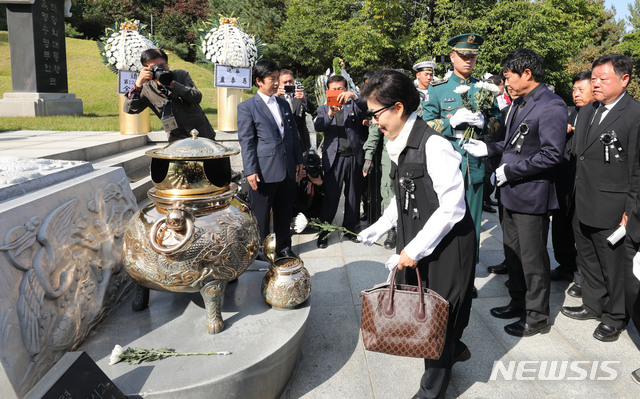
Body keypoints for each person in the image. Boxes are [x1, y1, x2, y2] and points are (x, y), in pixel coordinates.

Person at [359, 69, 475, 399]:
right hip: (421, 239)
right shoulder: (399, 142)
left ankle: (430, 392)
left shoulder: (433, 144)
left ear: (397, 108)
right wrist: (380, 226)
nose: (373, 121)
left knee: (439, 317)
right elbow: (402, 193)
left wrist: (414, 249)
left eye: (375, 113)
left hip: (448, 243)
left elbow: (453, 207)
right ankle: (454, 350)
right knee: (428, 310)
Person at [464, 48, 567, 337]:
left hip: (531, 195)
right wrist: (489, 149)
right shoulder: (520, 102)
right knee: (514, 254)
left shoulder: (551, 105)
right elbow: (513, 146)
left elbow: (551, 154)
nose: (505, 83)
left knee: (532, 258)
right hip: (510, 193)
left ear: (527, 74)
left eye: (509, 77)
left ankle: (536, 316)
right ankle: (518, 301)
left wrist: (511, 170)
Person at [560, 54, 640, 342]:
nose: (595, 84)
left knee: (615, 266)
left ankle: (615, 316)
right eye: (593, 78)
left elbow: (636, 170)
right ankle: (593, 304)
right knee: (588, 258)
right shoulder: (587, 111)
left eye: (602, 79)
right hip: (582, 200)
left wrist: (631, 210)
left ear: (624, 79)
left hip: (614, 206)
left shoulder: (634, 115)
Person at [423, 33, 502, 270]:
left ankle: (468, 272)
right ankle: (444, 268)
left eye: (473, 57)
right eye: (464, 56)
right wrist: (450, 123)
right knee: (445, 218)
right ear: (452, 57)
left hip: (474, 164)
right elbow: (425, 123)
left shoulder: (483, 88)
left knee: (472, 221)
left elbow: (498, 123)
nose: (469, 60)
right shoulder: (438, 89)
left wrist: (485, 124)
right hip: (446, 161)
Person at [237, 59, 304, 260]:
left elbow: (292, 134)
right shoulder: (247, 107)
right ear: (259, 81)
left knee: (284, 213)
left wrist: (298, 160)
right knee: (261, 216)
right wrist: (250, 170)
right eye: (272, 79)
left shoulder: (283, 103)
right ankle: (260, 252)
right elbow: (247, 141)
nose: (276, 83)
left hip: (287, 169)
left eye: (278, 79)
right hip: (263, 171)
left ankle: (284, 248)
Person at [550, 71, 596, 293]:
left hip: (583, 184)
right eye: (574, 90)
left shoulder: (597, 115)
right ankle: (565, 265)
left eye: (581, 89)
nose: (576, 94)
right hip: (563, 178)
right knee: (560, 228)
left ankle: (582, 276)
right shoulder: (568, 112)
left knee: (581, 232)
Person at [314, 75, 368, 248]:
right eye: (333, 89)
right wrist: (331, 113)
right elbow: (319, 127)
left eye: (341, 89)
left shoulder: (354, 106)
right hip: (334, 158)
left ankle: (350, 229)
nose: (337, 92)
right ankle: (325, 231)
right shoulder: (323, 108)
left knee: (353, 196)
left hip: (353, 157)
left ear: (345, 89)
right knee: (331, 196)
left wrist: (354, 96)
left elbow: (368, 110)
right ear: (328, 90)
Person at [124, 48, 216, 142]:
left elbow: (196, 97)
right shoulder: (146, 89)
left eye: (162, 65)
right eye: (154, 67)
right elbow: (130, 109)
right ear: (146, 69)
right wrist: (138, 83)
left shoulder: (181, 75)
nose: (160, 70)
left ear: (167, 63)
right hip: (177, 139)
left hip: (202, 134)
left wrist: (173, 85)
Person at [277, 69, 316, 152]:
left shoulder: (301, 95)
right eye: (285, 82)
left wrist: (304, 101)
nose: (288, 84)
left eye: (290, 81)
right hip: (283, 141)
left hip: (301, 140)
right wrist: (275, 97)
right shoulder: (275, 98)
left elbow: (312, 110)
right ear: (279, 83)